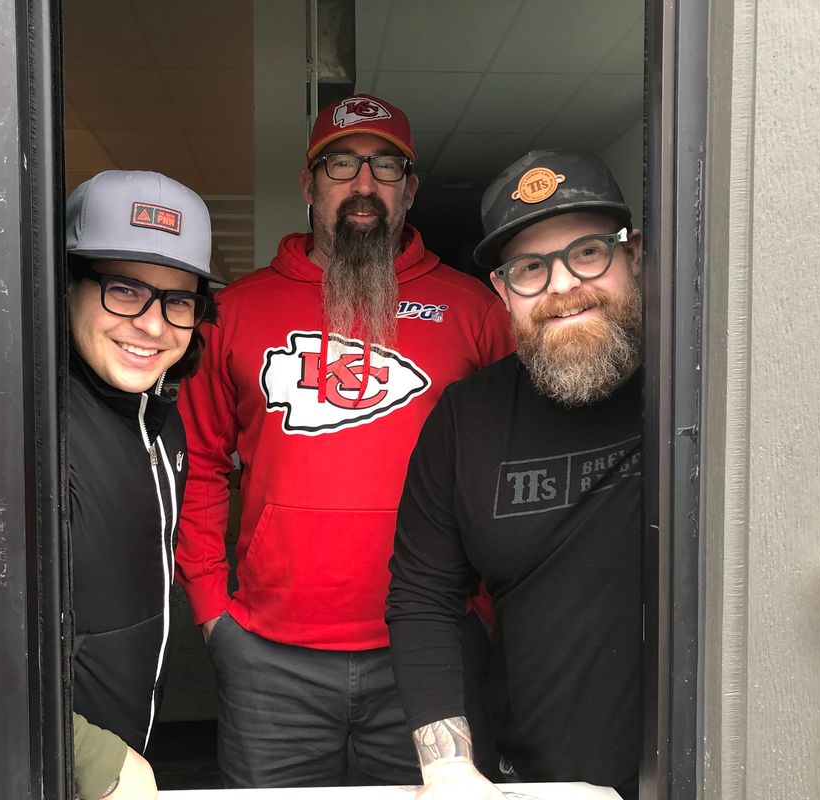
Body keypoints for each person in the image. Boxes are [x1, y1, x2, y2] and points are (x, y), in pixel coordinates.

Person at [174, 93, 514, 787]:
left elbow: (513, 465)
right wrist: (212, 609)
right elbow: (200, 466)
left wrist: (484, 611)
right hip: (270, 657)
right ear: (308, 185)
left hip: (433, 653)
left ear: (411, 189)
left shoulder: (475, 309)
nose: (364, 184)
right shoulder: (235, 313)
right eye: (340, 165)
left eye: (385, 166)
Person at [386, 149, 644, 800]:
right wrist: (446, 768)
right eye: (531, 268)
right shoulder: (465, 420)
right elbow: (422, 598)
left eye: (587, 252)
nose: (560, 286)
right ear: (503, 291)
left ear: (632, 256)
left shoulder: (698, 394)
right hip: (539, 781)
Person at [64, 170, 225, 799]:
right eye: (125, 291)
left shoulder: (159, 421)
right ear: (67, 286)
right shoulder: (27, 433)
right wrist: (89, 753)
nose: (154, 325)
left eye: (178, 301)